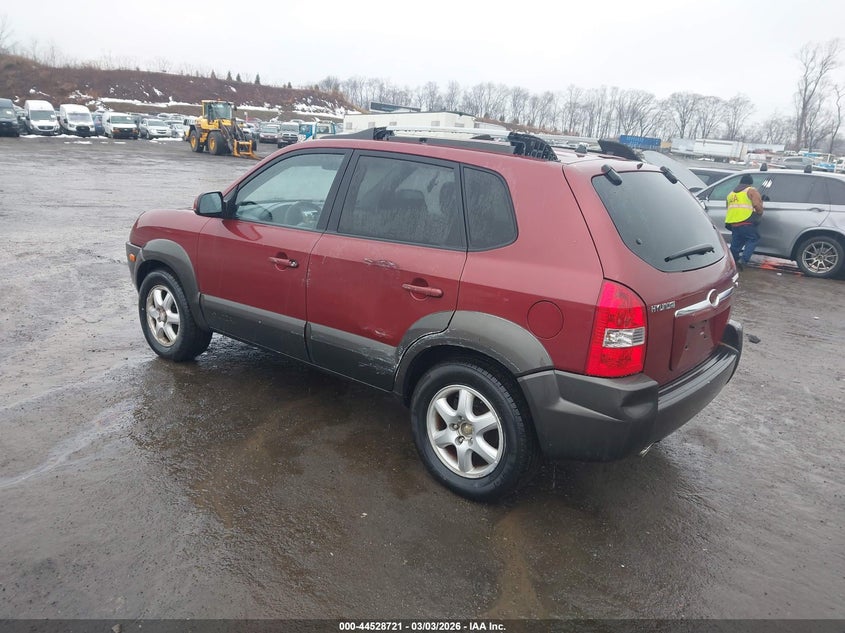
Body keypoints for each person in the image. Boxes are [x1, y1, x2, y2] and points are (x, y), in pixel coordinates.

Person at [725, 174, 764, 270]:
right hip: (747, 221)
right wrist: (759, 213)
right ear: (750, 183)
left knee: (736, 244)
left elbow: (728, 207)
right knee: (753, 239)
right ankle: (743, 261)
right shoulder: (751, 191)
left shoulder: (731, 194)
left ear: (740, 182)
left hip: (733, 223)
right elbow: (757, 205)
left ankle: (732, 263)